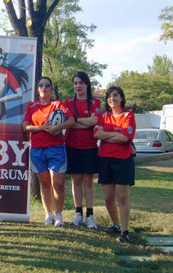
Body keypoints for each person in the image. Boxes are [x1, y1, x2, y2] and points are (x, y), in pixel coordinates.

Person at [23, 77, 75, 227]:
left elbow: (71, 121)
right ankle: (48, 214)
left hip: (56, 148)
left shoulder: (57, 105)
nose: (44, 87)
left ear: (51, 89)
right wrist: (41, 128)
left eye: (47, 85)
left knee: (58, 184)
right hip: (38, 149)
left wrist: (57, 128)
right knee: (44, 183)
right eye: (41, 85)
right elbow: (25, 127)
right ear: (37, 89)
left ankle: (58, 215)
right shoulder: (32, 106)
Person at [94, 86, 136, 243]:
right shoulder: (103, 116)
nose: (113, 98)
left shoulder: (128, 115)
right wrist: (116, 135)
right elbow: (96, 134)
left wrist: (107, 136)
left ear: (122, 98)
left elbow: (125, 138)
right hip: (105, 159)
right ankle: (116, 224)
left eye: (116, 95)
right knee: (107, 197)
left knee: (122, 197)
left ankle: (125, 231)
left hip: (123, 160)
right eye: (110, 96)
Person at [64, 72, 100, 229]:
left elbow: (95, 122)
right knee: (76, 180)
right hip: (72, 146)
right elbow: (68, 123)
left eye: (81, 83)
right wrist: (84, 122)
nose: (78, 86)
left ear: (87, 85)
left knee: (88, 181)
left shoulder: (95, 102)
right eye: (76, 83)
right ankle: (78, 213)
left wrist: (75, 121)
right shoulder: (68, 102)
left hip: (90, 147)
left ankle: (90, 215)